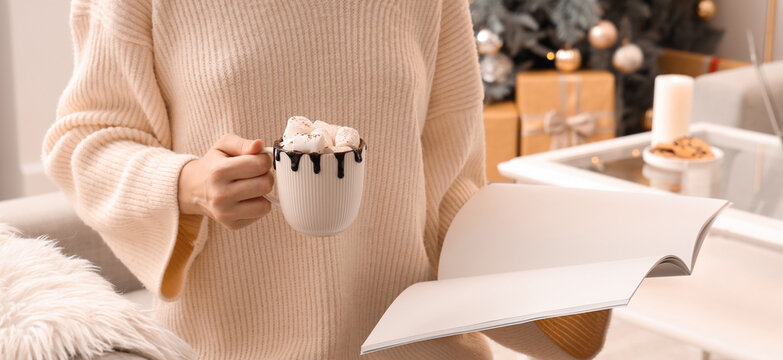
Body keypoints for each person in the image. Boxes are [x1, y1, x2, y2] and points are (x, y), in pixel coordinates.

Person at [43, 0, 610, 358]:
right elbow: (84, 142)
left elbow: (445, 192)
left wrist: (575, 282)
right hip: (233, 347)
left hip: (414, 349)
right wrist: (189, 182)